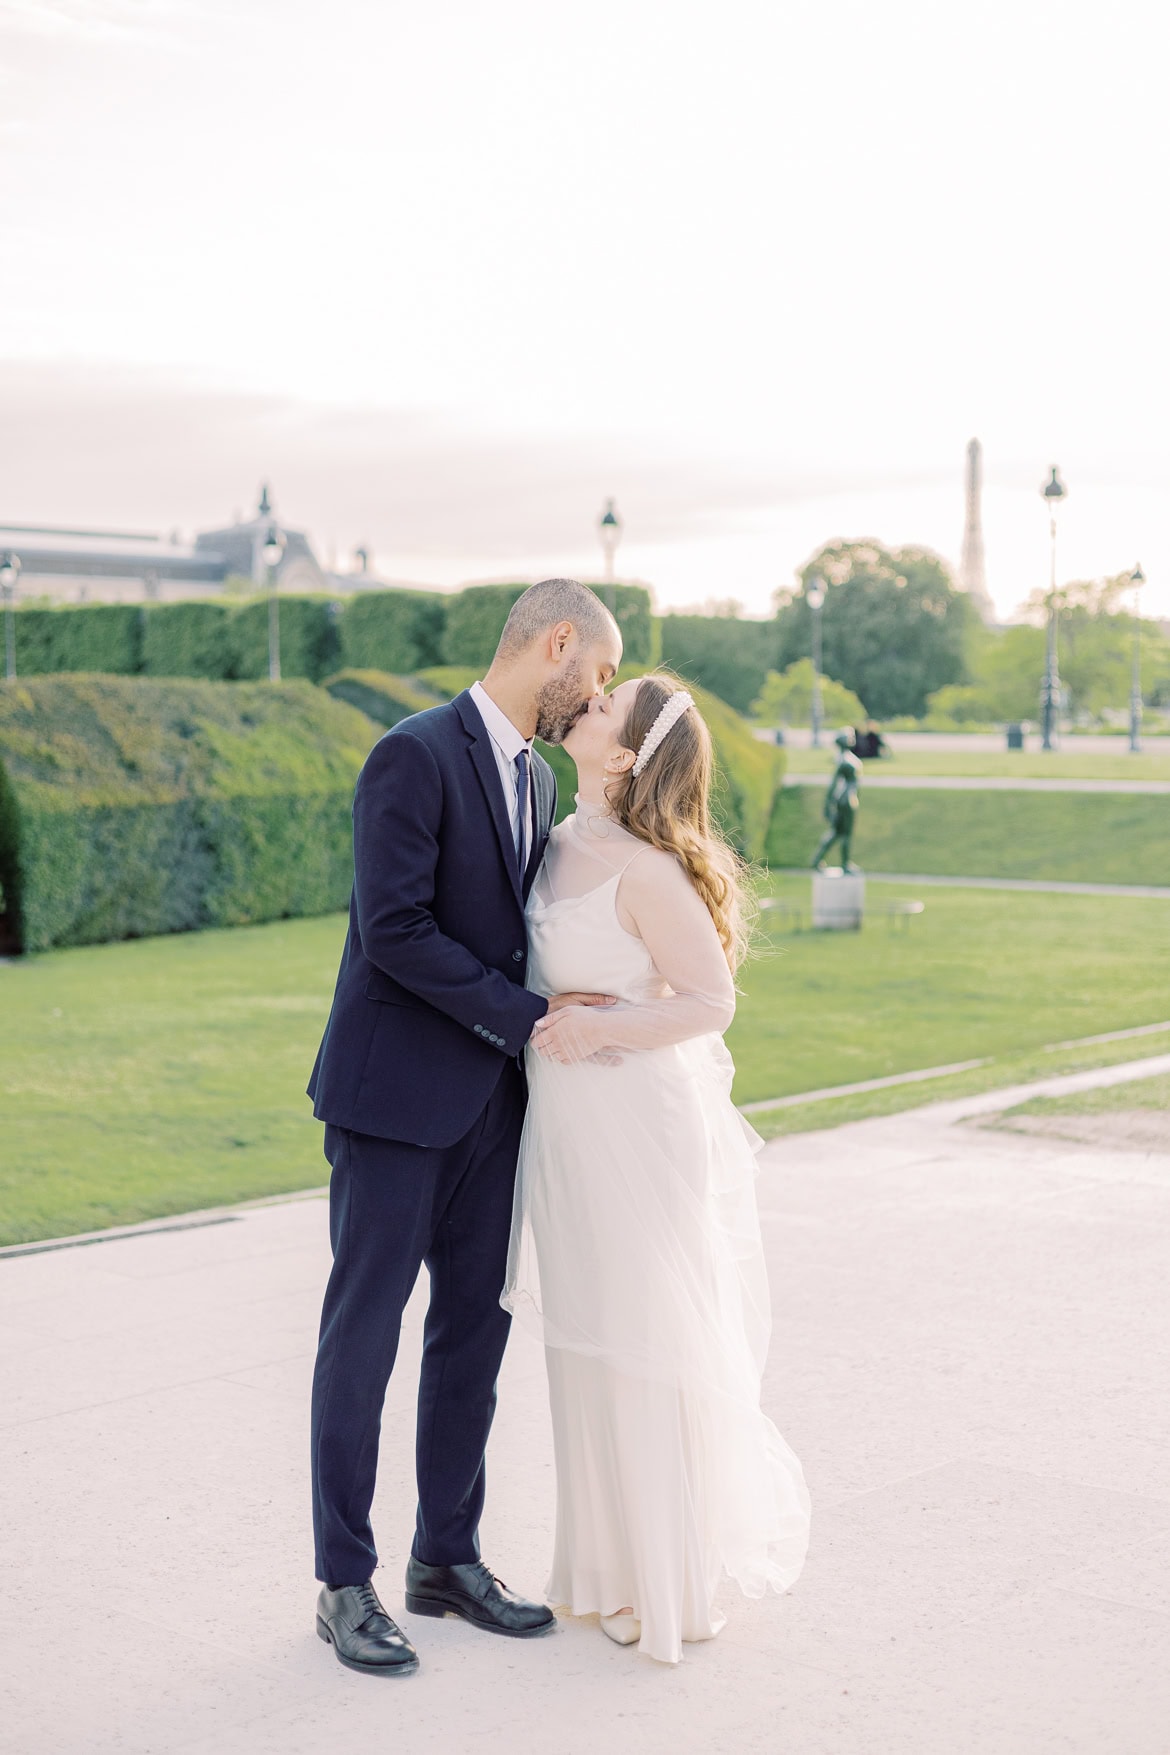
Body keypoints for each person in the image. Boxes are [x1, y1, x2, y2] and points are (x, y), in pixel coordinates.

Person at [307, 579, 623, 1677]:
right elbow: (392, 930)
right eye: (602, 674)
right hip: (394, 1102)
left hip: (498, 1107)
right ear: (560, 644)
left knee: (473, 1336)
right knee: (365, 1336)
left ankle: (445, 1559)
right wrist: (532, 1016)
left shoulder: (538, 775)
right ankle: (344, 1581)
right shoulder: (413, 752)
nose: (602, 696)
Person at [502, 674, 811, 1664]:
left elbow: (710, 1002)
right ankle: (599, 1569)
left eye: (604, 709)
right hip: (566, 1121)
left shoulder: (646, 870)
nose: (583, 703)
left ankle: (662, 1582)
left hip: (636, 1115)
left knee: (645, 1339)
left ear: (627, 755)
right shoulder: (553, 841)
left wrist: (599, 1028)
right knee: (586, 1339)